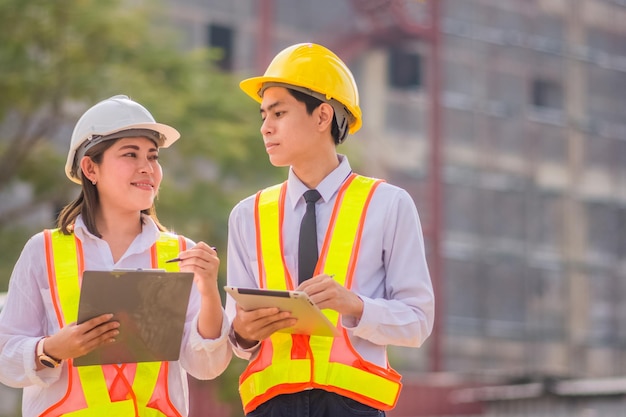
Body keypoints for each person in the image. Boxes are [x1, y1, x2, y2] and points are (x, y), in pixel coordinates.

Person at [225, 42, 435, 417]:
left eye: (279, 112)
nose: (265, 128)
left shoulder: (387, 205)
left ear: (322, 116)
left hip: (353, 406)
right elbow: (237, 338)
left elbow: (418, 321)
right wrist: (242, 328)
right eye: (263, 115)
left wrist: (354, 306)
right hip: (270, 407)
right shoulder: (247, 215)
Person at [0, 95, 232, 416]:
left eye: (153, 156)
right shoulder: (43, 252)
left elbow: (206, 365)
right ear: (90, 168)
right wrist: (52, 349)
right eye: (130, 154)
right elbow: (4, 355)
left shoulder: (181, 254)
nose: (147, 167)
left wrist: (209, 292)